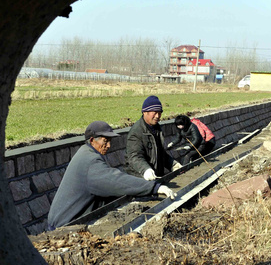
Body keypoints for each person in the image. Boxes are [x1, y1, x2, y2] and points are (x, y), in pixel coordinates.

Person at [47, 121, 176, 230]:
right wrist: (154, 187)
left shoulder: (86, 153)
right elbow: (115, 180)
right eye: (105, 141)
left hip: (64, 221)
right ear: (92, 140)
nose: (109, 145)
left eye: (110, 141)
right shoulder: (90, 162)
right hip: (64, 226)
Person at [125, 95, 182, 180]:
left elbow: (159, 153)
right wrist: (146, 170)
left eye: (159, 113)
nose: (157, 116)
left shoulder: (157, 129)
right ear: (145, 112)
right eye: (154, 112)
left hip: (157, 176)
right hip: (140, 178)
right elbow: (135, 156)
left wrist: (173, 164)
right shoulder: (136, 132)